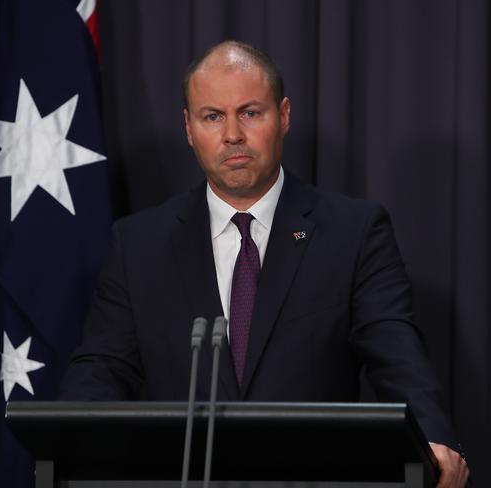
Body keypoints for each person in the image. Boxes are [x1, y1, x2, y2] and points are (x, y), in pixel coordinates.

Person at [59, 40, 469, 487]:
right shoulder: (139, 243)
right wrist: (69, 443)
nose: (232, 134)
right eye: (212, 116)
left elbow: (397, 354)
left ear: (284, 116)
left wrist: (431, 441)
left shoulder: (353, 233)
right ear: (189, 128)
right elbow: (102, 368)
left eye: (250, 112)